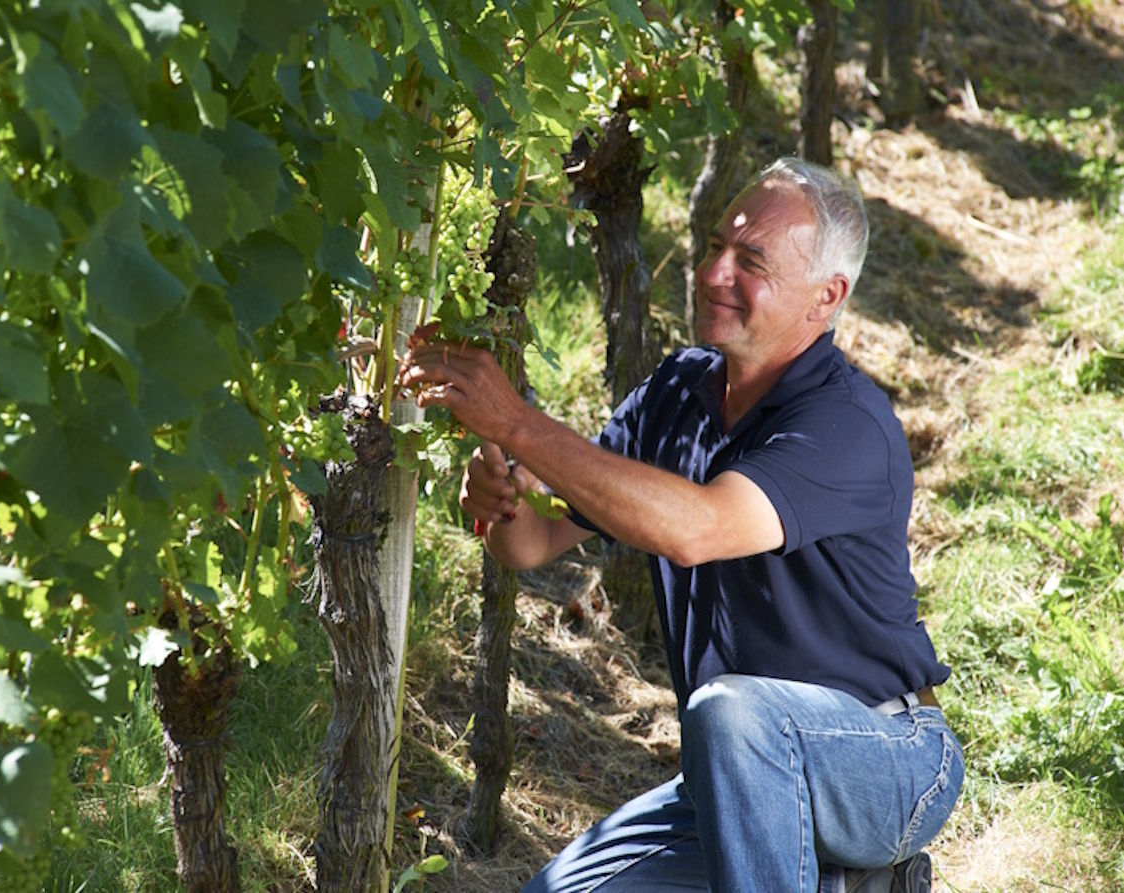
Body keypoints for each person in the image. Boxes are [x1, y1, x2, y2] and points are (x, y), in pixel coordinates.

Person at [399, 157, 964, 893]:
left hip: (885, 762)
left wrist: (519, 422)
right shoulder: (674, 390)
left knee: (732, 711)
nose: (711, 272)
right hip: (731, 774)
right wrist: (500, 494)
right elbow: (531, 542)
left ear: (825, 298)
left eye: (750, 261)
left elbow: (696, 527)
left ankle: (849, 873)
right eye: (712, 246)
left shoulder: (845, 424)